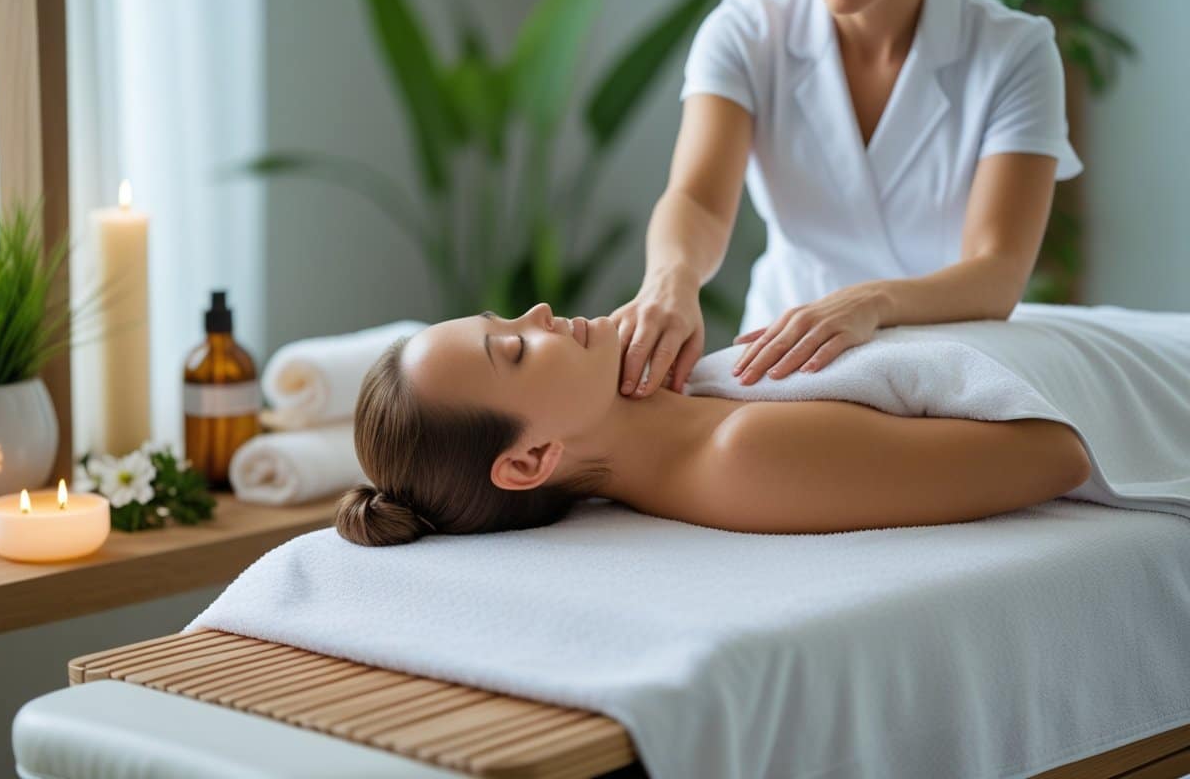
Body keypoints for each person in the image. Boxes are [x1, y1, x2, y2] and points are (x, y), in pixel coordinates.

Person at [608, 0, 1082, 401]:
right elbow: (697, 200)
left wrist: (870, 303)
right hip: (775, 361)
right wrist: (671, 279)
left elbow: (997, 269)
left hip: (943, 370)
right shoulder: (748, 32)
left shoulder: (1013, 52)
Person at [335, 302, 1091, 547]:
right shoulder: (745, 457)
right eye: (513, 347)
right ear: (530, 461)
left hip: (1069, 332)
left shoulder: (672, 386)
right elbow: (1054, 456)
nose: (539, 312)